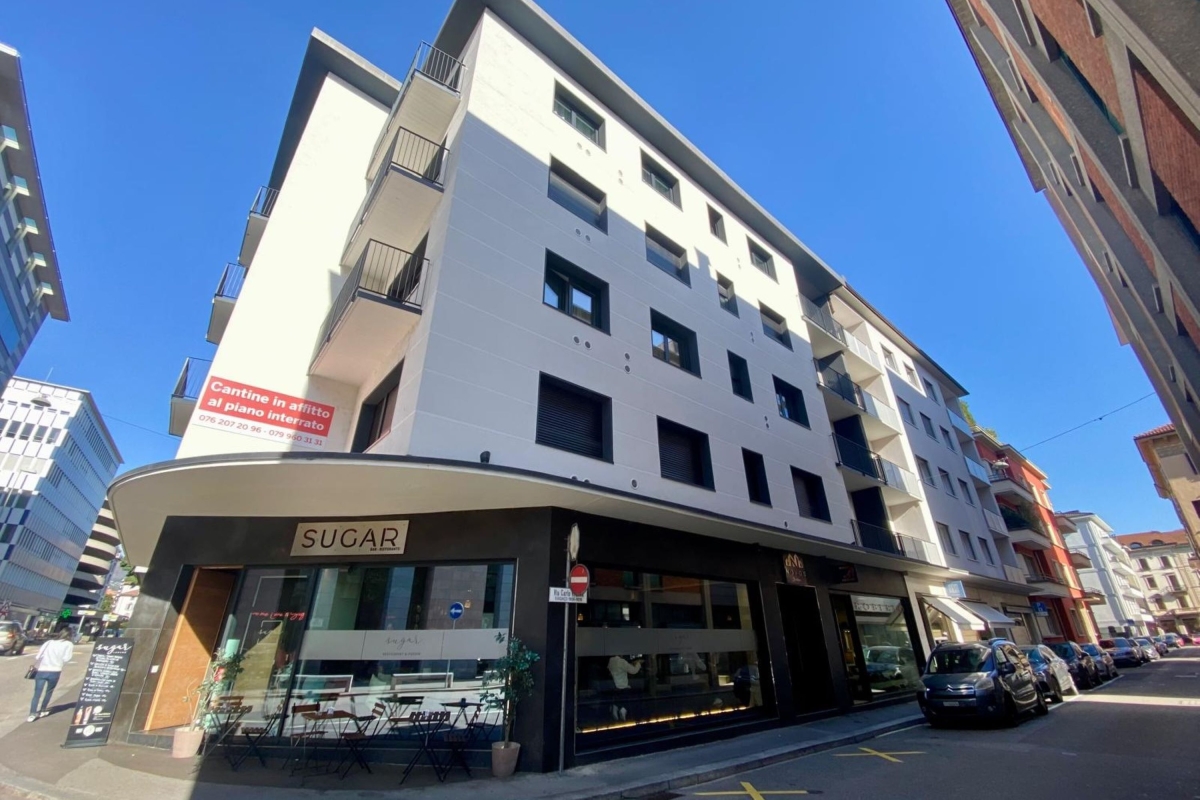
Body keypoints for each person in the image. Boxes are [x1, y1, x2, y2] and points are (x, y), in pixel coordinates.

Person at [28, 629, 73, 722]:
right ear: (69, 636)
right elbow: (67, 658)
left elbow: (38, 656)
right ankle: (43, 710)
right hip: (55, 671)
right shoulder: (69, 644)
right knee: (49, 691)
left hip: (42, 670)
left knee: (37, 693)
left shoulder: (49, 642)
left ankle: (32, 714)